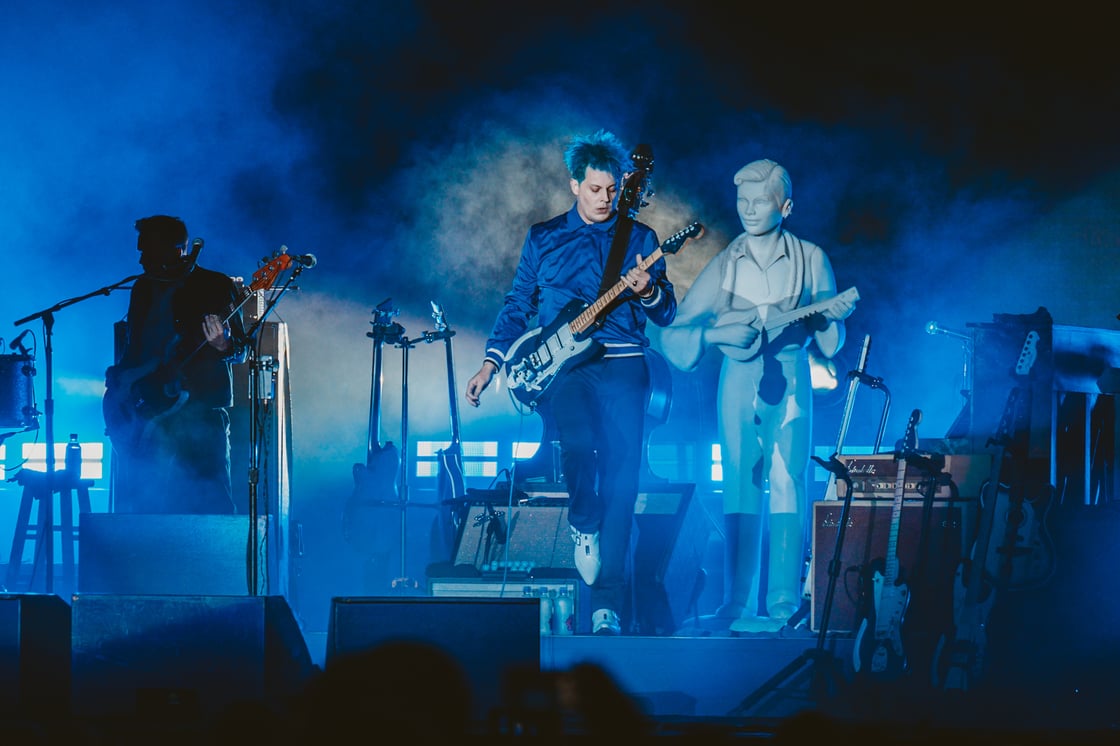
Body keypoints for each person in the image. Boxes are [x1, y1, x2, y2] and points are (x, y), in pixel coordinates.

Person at [465, 130, 677, 635]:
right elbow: (518, 305)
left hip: (625, 362)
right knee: (576, 446)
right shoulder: (544, 237)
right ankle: (584, 525)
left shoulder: (640, 238)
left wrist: (647, 291)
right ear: (574, 184)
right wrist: (490, 364)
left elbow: (667, 311)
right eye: (595, 189)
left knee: (624, 482)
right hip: (567, 368)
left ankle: (607, 606)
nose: (604, 199)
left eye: (611, 190)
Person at [660, 159, 856, 631]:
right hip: (738, 382)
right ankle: (737, 602)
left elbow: (831, 344)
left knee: (789, 480)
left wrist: (827, 316)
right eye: (742, 201)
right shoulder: (728, 260)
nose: (748, 210)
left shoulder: (812, 258)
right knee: (739, 482)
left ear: (785, 206)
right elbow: (676, 332)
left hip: (791, 382)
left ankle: (785, 601)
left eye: (759, 201)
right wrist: (712, 336)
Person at [103, 214, 247, 514]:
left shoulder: (215, 284)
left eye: (147, 249)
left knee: (212, 500)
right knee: (146, 501)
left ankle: (214, 560)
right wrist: (120, 379)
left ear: (176, 249)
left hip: (201, 408)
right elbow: (137, 345)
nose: (141, 258)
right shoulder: (143, 288)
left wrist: (222, 344)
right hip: (148, 408)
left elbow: (241, 350)